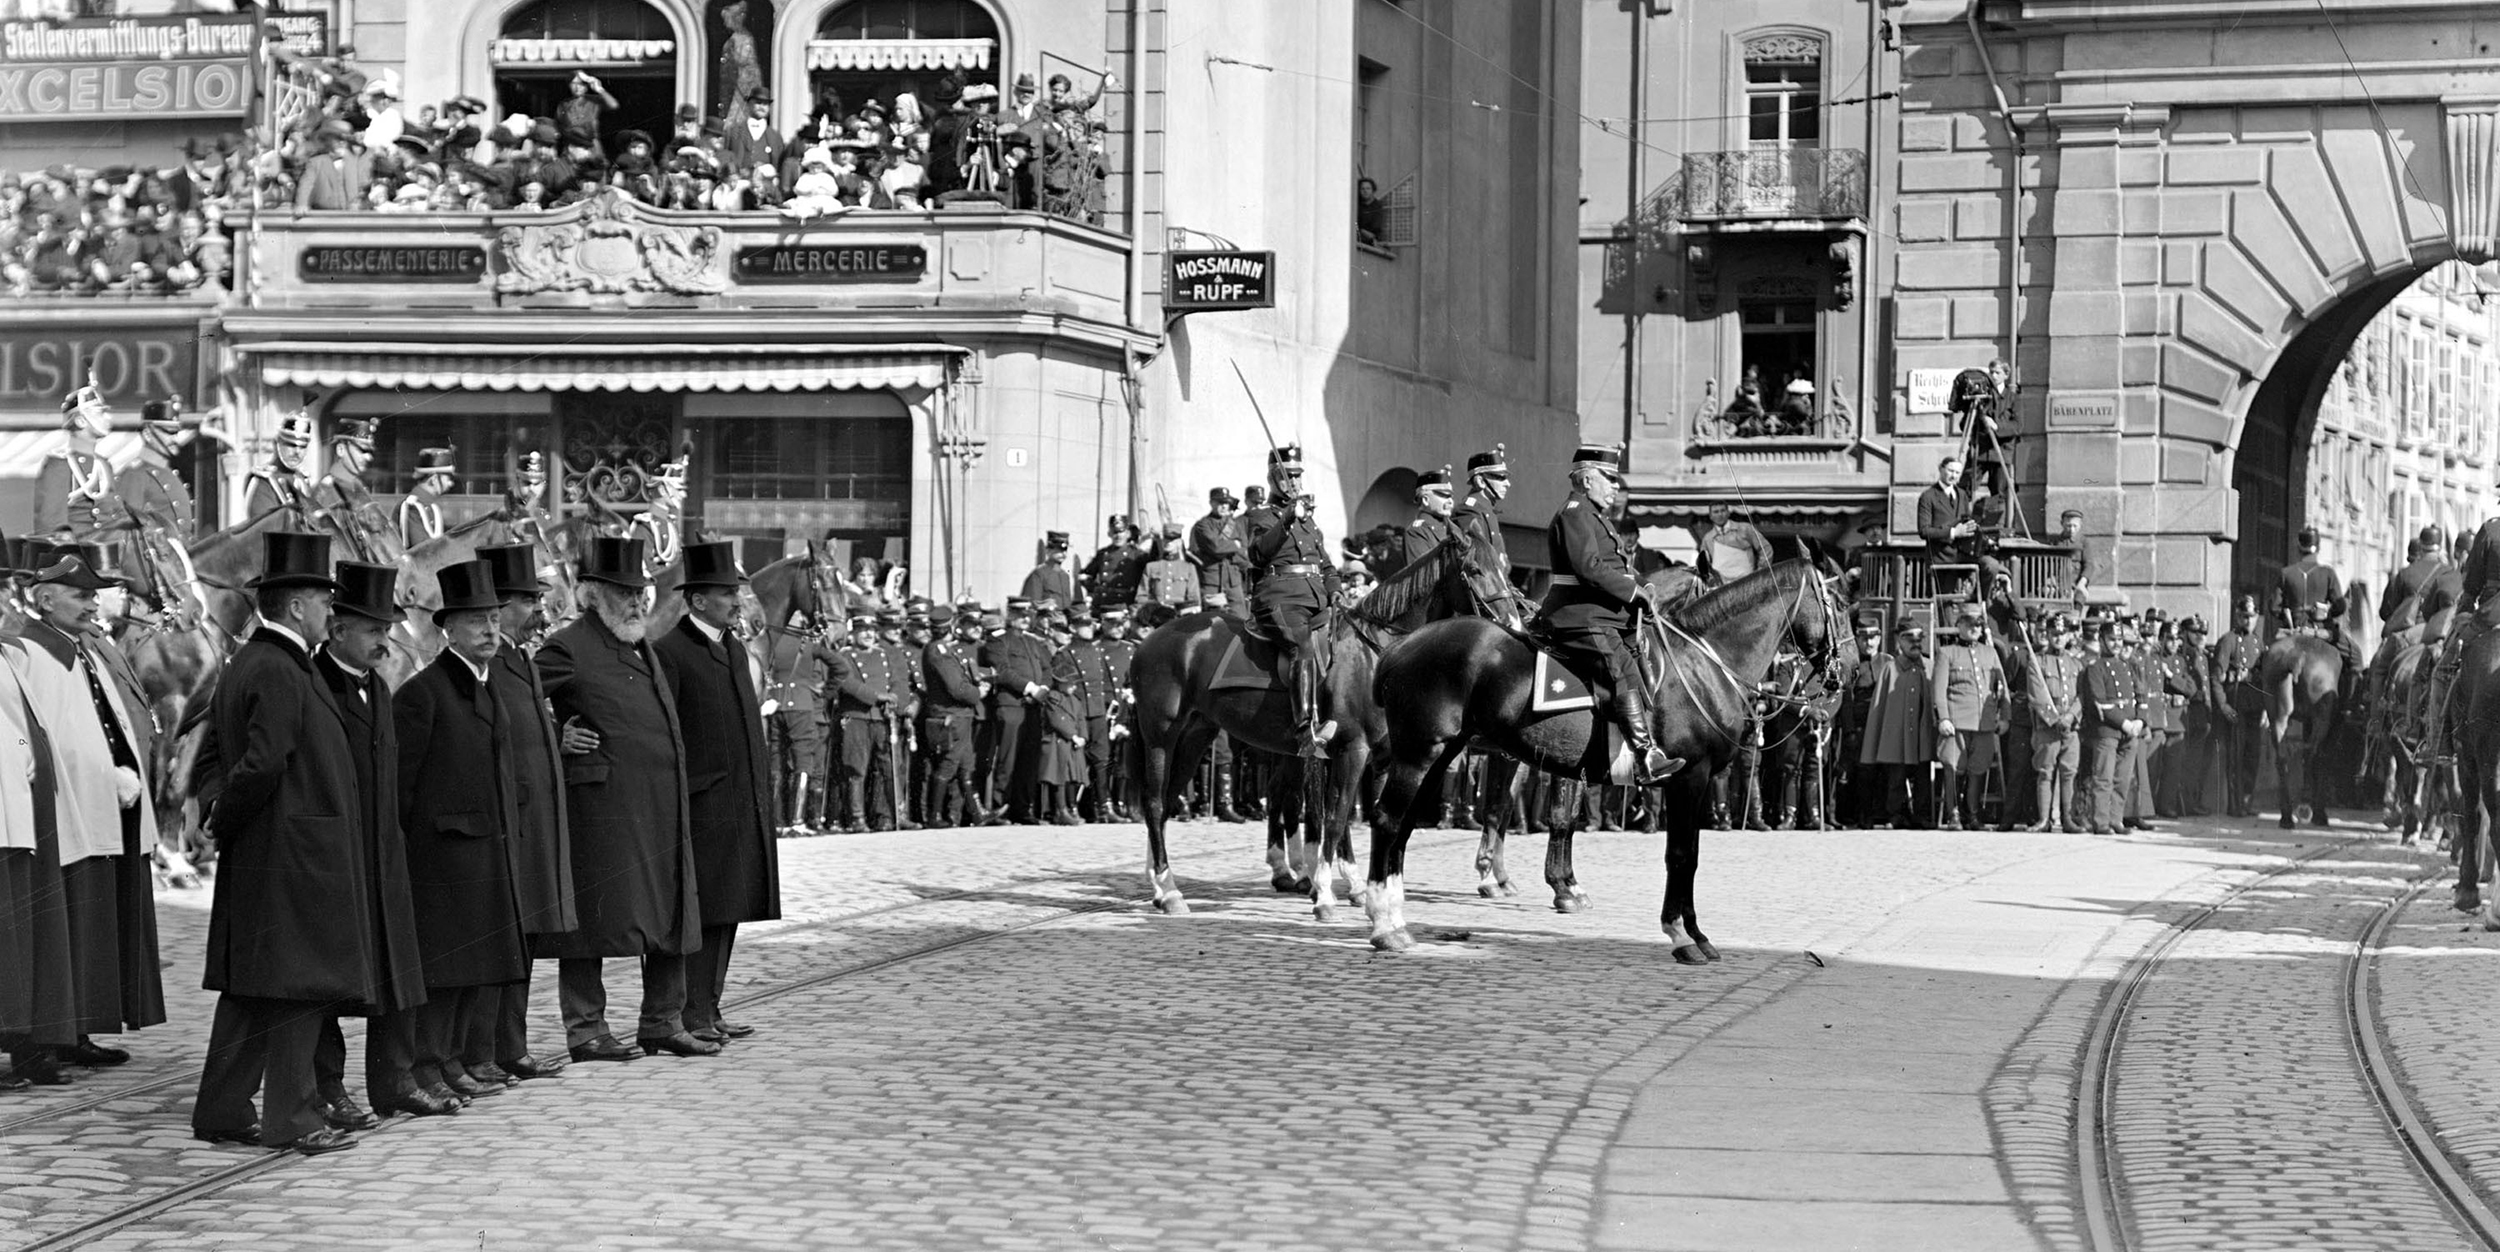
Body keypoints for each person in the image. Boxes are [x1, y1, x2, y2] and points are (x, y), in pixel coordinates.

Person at [190, 533, 362, 1155]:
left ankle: (224, 1109)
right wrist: (225, 821)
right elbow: (263, 764)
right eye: (324, 602)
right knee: (295, 985)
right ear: (295, 607)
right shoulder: (281, 666)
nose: (330, 614)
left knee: (252, 988)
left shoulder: (256, 661)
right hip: (292, 854)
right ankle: (294, 1116)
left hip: (276, 850)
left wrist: (226, 822)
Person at [533, 536, 709, 1063]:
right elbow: (514, 699)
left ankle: (663, 1020)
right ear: (591, 595)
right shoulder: (569, 644)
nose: (636, 602)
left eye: (640, 592)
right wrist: (556, 733)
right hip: (603, 811)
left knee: (672, 911)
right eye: (623, 592)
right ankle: (586, 1030)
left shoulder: (638, 643)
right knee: (592, 921)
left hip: (660, 806)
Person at [9, 542, 163, 1075]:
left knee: (93, 924)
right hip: (63, 810)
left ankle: (77, 1029)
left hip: (105, 804)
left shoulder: (87, 649)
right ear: (45, 598)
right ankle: (43, 1038)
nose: (92, 606)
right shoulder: (28, 651)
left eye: (93, 596)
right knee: (60, 925)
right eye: (80, 596)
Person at [388, 559, 532, 1104]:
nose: (491, 631)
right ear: (448, 628)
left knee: (472, 970)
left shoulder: (486, 683)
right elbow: (400, 790)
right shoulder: (424, 693)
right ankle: (425, 1067)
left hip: (484, 853)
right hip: (440, 860)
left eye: (495, 618)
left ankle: (447, 1062)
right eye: (477, 622)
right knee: (443, 974)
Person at [305, 561, 428, 1121]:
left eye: (389, 629)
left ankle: (395, 1080)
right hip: (335, 858)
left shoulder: (376, 686)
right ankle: (326, 1087)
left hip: (384, 851)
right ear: (338, 632)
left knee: (396, 969)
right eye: (376, 631)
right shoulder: (313, 685)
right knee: (329, 981)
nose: (387, 641)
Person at [652, 541, 779, 1048]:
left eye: (737, 591)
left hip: (740, 801)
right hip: (702, 805)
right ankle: (690, 1013)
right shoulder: (672, 652)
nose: (737, 601)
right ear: (697, 600)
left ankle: (710, 1006)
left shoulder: (731, 648)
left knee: (729, 908)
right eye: (727, 593)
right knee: (702, 915)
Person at [468, 544, 571, 1083]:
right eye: (528, 600)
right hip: (513, 819)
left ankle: (511, 1044)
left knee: (524, 940)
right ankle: (487, 1049)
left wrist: (559, 736)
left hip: (534, 820)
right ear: (502, 605)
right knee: (504, 942)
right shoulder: (492, 662)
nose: (537, 610)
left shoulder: (520, 657)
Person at [1539, 444, 1673, 783]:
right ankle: (1645, 756)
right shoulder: (1575, 512)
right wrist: (1633, 592)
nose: (1615, 486)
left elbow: (1621, 567)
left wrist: (1646, 586)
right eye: (1608, 478)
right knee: (1620, 670)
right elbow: (1589, 568)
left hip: (1604, 615)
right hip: (1581, 616)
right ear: (1586, 480)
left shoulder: (1597, 517)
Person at [1248, 445, 1339, 747]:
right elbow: (1259, 553)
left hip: (1316, 599)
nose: (1294, 484)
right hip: (1279, 598)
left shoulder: (1309, 522)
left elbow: (1325, 565)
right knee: (1301, 648)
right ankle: (1305, 728)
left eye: (1298, 478)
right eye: (1287, 478)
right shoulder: (1262, 515)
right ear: (1273, 480)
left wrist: (1335, 591)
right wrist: (1285, 519)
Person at [1928, 604, 2009, 830]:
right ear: (1959, 625)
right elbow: (1939, 689)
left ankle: (1972, 813)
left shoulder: (1990, 653)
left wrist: (2005, 717)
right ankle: (1953, 813)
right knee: (1953, 767)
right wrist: (1943, 717)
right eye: (1970, 624)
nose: (1975, 628)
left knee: (1978, 769)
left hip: (1983, 722)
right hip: (1956, 721)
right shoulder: (1948, 653)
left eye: (1979, 625)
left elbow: (2002, 687)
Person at [979, 597, 1055, 821]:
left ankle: (1023, 808)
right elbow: (1001, 670)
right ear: (1009, 615)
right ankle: (1000, 807)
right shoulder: (999, 641)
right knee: (1007, 759)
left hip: (1033, 707)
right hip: (1011, 705)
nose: (1024, 619)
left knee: (1029, 759)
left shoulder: (1033, 642)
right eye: (1019, 614)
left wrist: (1043, 688)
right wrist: (1031, 688)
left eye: (1027, 614)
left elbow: (1047, 668)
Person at [765, 608, 839, 834]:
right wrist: (825, 692)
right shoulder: (807, 644)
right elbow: (840, 667)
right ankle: (797, 821)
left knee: (777, 762)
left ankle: (778, 822)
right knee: (803, 763)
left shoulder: (771, 641)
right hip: (803, 706)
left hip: (775, 705)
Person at [1858, 621, 1935, 827]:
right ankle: (1897, 814)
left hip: (1921, 733)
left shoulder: (1930, 667)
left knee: (1923, 776)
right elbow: (1878, 708)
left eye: (1919, 639)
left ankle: (1922, 815)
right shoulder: (1890, 669)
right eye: (1910, 638)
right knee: (1896, 777)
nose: (1916, 643)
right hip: (1897, 735)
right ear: (1899, 640)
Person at [2078, 611, 2147, 835]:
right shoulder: (2095, 668)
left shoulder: (2127, 667)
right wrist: (2126, 723)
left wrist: (2140, 721)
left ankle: (2117, 819)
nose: (2116, 645)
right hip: (2107, 730)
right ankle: (2101, 822)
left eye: (2119, 640)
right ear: (2101, 641)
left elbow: (2140, 697)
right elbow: (2101, 702)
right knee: (2103, 778)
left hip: (2130, 731)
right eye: (2112, 640)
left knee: (2122, 779)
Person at [921, 607, 990, 827]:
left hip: (959, 715)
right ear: (950, 626)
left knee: (965, 764)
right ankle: (934, 816)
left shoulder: (939, 649)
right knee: (948, 765)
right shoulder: (939, 651)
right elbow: (956, 688)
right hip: (951, 715)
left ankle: (977, 813)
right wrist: (978, 693)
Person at [32, 378, 114, 540]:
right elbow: (51, 525)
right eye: (99, 413)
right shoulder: (60, 463)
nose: (108, 418)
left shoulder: (104, 465)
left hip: (111, 548)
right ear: (81, 420)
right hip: (80, 553)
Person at [2025, 612, 2084, 832]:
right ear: (2047, 635)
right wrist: (2054, 719)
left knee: (2069, 772)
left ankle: (2067, 819)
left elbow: (2082, 695)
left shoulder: (2076, 664)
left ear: (2069, 635)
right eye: (2053, 634)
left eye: (2062, 634)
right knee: (2045, 771)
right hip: (2048, 727)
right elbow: (2037, 696)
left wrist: (2070, 716)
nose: (2058, 638)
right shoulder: (2037, 662)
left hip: (2071, 726)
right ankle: (2043, 819)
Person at [2210, 594, 2269, 816]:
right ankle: (2234, 805)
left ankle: (2246, 801)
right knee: (2235, 756)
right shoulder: (2228, 640)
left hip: (2254, 706)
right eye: (2244, 616)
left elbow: (2264, 678)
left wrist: (2265, 708)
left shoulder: (2258, 643)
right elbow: (2216, 677)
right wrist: (2223, 706)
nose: (2248, 621)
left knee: (2252, 755)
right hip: (2235, 705)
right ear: (2237, 616)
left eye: (2252, 616)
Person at [1452, 445, 1522, 625]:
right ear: (1481, 482)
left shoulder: (1486, 509)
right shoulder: (1470, 510)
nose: (1508, 483)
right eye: (1500, 477)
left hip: (1500, 594)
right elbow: (1479, 566)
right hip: (1484, 603)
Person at [308, 418, 393, 564]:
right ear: (341, 450)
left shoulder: (358, 488)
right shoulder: (325, 493)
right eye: (362, 450)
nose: (368, 457)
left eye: (369, 452)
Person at [242, 413, 317, 519]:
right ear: (276, 444)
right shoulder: (263, 481)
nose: (297, 452)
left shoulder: (303, 480)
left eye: (302, 447)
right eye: (291, 445)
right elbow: (262, 528)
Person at [1189, 488, 1249, 612]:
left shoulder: (1235, 525)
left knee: (1241, 620)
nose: (1223, 507)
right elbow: (1215, 547)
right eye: (1219, 503)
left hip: (1234, 581)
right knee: (1212, 622)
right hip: (1212, 581)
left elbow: (1244, 550)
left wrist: (1230, 548)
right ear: (1211, 503)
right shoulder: (1202, 525)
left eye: (1226, 503)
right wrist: (1234, 545)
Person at [1393, 467, 1460, 574]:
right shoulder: (1417, 532)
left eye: (1450, 496)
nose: (1450, 501)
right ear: (1425, 500)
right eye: (1443, 495)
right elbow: (1424, 576)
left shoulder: (1452, 528)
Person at [294, 120, 373, 211]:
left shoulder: (357, 161)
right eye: (337, 138)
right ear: (327, 140)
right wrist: (302, 205)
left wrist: (361, 203)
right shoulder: (316, 163)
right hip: (324, 217)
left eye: (344, 139)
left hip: (353, 217)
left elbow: (365, 187)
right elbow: (306, 186)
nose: (341, 142)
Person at [1695, 502, 1773, 587]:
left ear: (1728, 513)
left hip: (1747, 583)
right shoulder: (1708, 538)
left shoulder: (1745, 529)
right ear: (1710, 516)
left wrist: (1759, 573)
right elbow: (1703, 564)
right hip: (1721, 587)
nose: (1720, 514)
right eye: (1716, 512)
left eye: (1723, 511)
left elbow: (1766, 549)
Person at [1081, 515, 1148, 611]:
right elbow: (1085, 575)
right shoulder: (1103, 554)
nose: (1118, 536)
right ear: (1109, 533)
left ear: (1128, 534)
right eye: (1115, 532)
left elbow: (1149, 574)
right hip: (1103, 603)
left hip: (1125, 604)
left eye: (1121, 532)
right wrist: (1095, 589)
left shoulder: (1136, 554)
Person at [1915, 455, 1973, 566]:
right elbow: (1924, 531)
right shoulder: (1928, 496)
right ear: (1941, 469)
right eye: (1950, 471)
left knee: (1990, 565)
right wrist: (1953, 533)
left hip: (1964, 555)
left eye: (1957, 473)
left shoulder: (1962, 494)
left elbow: (1967, 522)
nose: (1953, 476)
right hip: (1940, 558)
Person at [397, 448, 455, 550]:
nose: (451, 483)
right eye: (448, 478)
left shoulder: (428, 505)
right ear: (434, 479)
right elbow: (422, 551)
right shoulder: (413, 506)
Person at [1020, 530, 1081, 609]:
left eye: (1065, 550)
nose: (1063, 553)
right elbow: (1031, 603)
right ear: (1048, 550)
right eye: (1059, 549)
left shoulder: (1065, 576)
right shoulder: (1039, 574)